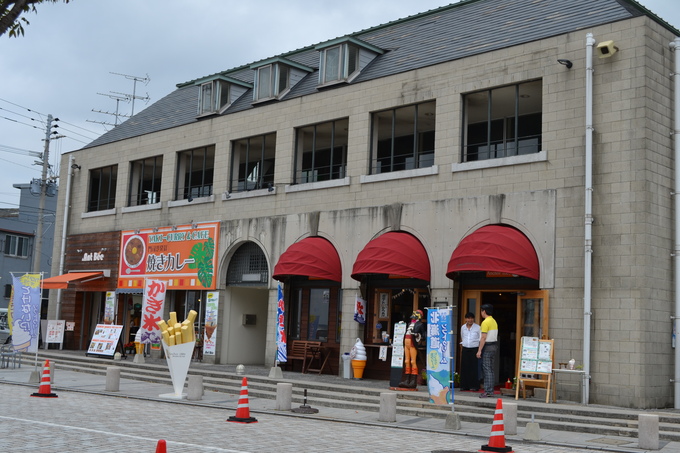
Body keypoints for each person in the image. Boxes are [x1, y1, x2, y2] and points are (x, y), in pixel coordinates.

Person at [398, 309, 426, 389]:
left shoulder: (420, 325)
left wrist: (417, 335)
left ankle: (413, 381)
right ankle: (407, 380)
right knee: (406, 360)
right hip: (406, 342)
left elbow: (423, 335)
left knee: (413, 361)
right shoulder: (409, 323)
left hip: (412, 343)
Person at [476, 304, 498, 398]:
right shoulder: (493, 321)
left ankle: (488, 390)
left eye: (481, 310)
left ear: (484, 311)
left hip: (488, 346)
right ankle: (490, 390)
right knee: (491, 369)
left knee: (487, 369)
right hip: (494, 346)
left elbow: (483, 337)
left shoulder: (485, 322)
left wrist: (479, 350)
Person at [459, 312, 480, 391]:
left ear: (473, 319)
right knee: (464, 367)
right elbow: (462, 336)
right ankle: (464, 385)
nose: (470, 320)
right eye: (468, 318)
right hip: (465, 348)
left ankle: (474, 386)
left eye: (471, 318)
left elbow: (480, 338)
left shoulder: (478, 327)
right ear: (465, 319)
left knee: (473, 368)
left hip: (474, 348)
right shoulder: (463, 327)